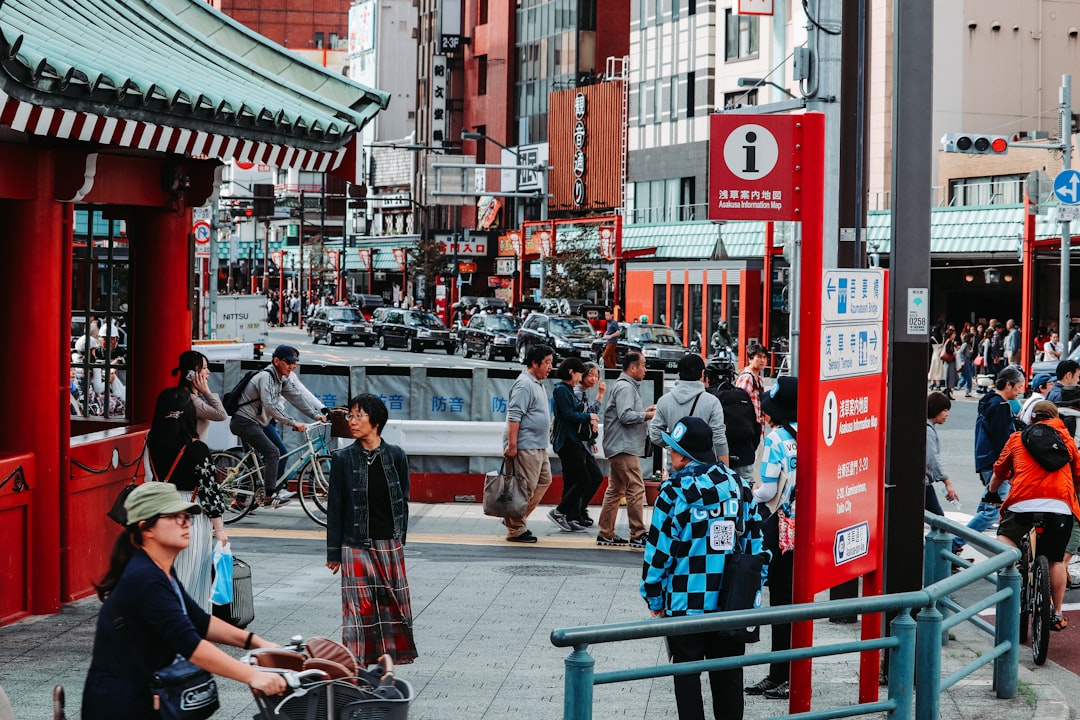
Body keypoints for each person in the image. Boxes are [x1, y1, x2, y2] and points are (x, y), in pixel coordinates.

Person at [81, 483, 285, 719]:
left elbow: (199, 621)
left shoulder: (160, 569)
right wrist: (252, 676)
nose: (185, 522)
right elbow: (191, 645)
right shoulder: (144, 578)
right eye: (174, 516)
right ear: (145, 528)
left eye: (186, 516)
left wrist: (259, 643)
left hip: (146, 697)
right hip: (122, 705)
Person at [642, 416, 768, 720]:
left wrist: (654, 597)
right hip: (731, 604)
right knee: (728, 680)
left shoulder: (673, 492)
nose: (670, 456)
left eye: (673, 450)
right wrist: (753, 589)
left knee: (687, 681)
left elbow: (659, 553)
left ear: (684, 455)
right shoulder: (737, 485)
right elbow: (756, 544)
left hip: (686, 604)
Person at [326, 394, 417, 665]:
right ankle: (358, 663)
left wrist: (400, 540)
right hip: (355, 544)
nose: (351, 422)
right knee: (359, 609)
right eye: (350, 416)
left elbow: (404, 499)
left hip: (389, 544)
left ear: (375, 422)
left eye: (358, 416)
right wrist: (333, 551)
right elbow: (335, 507)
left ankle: (385, 661)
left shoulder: (396, 455)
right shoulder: (342, 459)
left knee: (392, 605)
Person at [988, 402, 1080, 631]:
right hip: (1059, 505)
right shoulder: (1067, 440)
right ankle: (1057, 613)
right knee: (1055, 560)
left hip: (1022, 503)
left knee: (1006, 538)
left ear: (1031, 418)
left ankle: (1016, 566)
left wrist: (991, 491)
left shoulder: (1017, 438)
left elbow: (999, 470)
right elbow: (1078, 475)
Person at [146, 388, 229, 612]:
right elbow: (210, 490)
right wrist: (219, 530)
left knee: (164, 573)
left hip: (158, 511)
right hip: (189, 513)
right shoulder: (197, 449)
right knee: (192, 577)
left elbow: (147, 476)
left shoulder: (151, 440)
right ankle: (189, 629)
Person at [744, 376, 798, 700]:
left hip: (774, 524)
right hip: (797, 526)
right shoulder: (806, 436)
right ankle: (783, 674)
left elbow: (765, 490)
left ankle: (780, 675)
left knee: (774, 600)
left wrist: (745, 495)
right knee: (788, 601)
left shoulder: (776, 439)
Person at [228, 345, 327, 507]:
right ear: (276, 361)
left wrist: (316, 415)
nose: (292, 366)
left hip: (257, 423)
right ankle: (269, 496)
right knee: (273, 453)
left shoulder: (280, 379)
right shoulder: (265, 377)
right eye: (288, 362)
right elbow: (270, 406)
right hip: (245, 422)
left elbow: (297, 398)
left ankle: (244, 499)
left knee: (258, 464)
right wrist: (292, 422)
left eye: (295, 363)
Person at [953, 366, 1026, 554]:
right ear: (1008, 385)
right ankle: (953, 544)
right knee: (990, 512)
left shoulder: (989, 402)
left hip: (986, 461)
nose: (1019, 391)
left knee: (987, 508)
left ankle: (956, 544)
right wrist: (1009, 468)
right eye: (1018, 387)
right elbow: (1004, 441)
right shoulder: (1000, 407)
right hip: (996, 465)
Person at [598, 351, 656, 548]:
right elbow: (625, 416)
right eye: (643, 365)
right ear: (633, 367)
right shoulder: (625, 388)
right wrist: (647, 416)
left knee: (615, 490)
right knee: (636, 488)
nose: (645, 369)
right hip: (623, 447)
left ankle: (606, 532)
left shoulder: (625, 386)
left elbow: (627, 414)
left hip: (619, 445)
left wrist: (644, 413)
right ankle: (638, 533)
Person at [502, 344, 555, 543]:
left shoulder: (536, 382)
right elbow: (514, 416)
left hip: (538, 446)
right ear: (535, 363)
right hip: (525, 446)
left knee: (543, 481)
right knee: (524, 488)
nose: (550, 367)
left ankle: (515, 517)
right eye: (547, 362)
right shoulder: (524, 384)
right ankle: (515, 528)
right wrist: (512, 445)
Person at [649, 354, 729, 470]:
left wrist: (676, 447)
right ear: (702, 374)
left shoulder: (664, 401)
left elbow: (655, 434)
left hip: (676, 466)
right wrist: (725, 469)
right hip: (704, 467)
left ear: (679, 373)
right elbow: (719, 438)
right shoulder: (712, 402)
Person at [547, 357, 599, 533]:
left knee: (571, 480)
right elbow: (569, 414)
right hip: (567, 441)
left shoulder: (568, 390)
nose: (580, 377)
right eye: (579, 374)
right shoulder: (562, 389)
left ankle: (569, 516)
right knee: (583, 479)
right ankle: (560, 512)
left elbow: (576, 410)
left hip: (572, 440)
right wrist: (589, 417)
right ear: (571, 372)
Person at [573, 362, 606, 527]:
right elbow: (585, 416)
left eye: (596, 376)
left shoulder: (583, 393)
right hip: (578, 444)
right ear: (582, 376)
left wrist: (600, 395)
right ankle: (576, 511)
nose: (594, 379)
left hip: (585, 443)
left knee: (593, 477)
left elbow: (590, 414)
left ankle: (580, 509)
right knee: (587, 478)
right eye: (591, 375)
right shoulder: (577, 393)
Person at [174, 350, 227, 443]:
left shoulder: (187, 396)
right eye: (204, 368)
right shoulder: (192, 400)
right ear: (191, 374)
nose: (208, 372)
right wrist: (206, 391)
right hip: (192, 454)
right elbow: (222, 415)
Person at [925, 391, 959, 516]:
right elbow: (932, 459)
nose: (947, 414)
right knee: (939, 520)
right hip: (923, 483)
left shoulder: (926, 427)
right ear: (936, 410)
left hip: (923, 482)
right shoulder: (928, 431)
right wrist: (947, 481)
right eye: (945, 410)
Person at [735, 343, 768, 432]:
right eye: (759, 357)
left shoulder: (759, 380)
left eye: (764, 357)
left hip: (756, 428)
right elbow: (739, 404)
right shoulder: (747, 377)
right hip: (748, 429)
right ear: (750, 359)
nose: (763, 360)